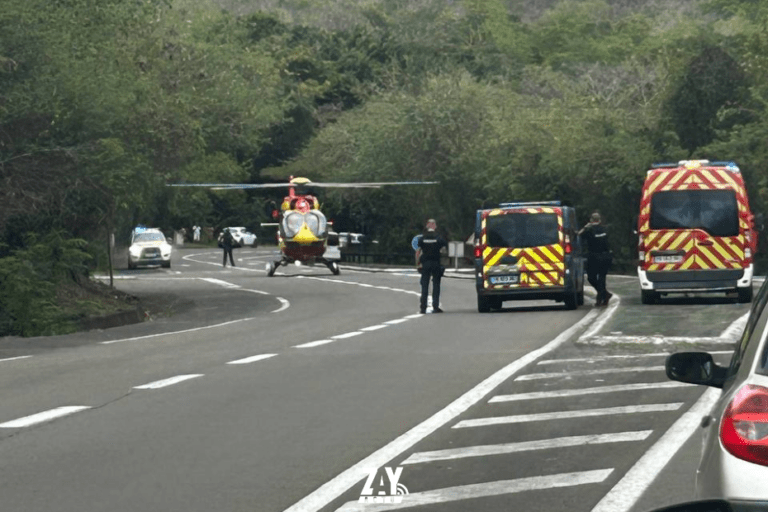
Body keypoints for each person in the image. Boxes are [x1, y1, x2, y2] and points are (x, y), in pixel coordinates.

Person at [578, 212, 613, 306]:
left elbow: (578, 235)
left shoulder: (589, 230)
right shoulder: (605, 229)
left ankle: (602, 296)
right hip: (605, 257)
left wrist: (585, 227)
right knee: (602, 278)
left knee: (591, 278)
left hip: (593, 257)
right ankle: (604, 295)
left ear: (591, 220)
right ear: (600, 220)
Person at [416, 219, 447, 314]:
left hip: (425, 264)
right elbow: (444, 250)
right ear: (435, 226)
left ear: (427, 226)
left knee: (424, 285)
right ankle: (435, 306)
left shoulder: (422, 239)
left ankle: (423, 308)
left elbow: (418, 251)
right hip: (436, 263)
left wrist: (418, 263)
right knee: (436, 285)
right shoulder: (439, 238)